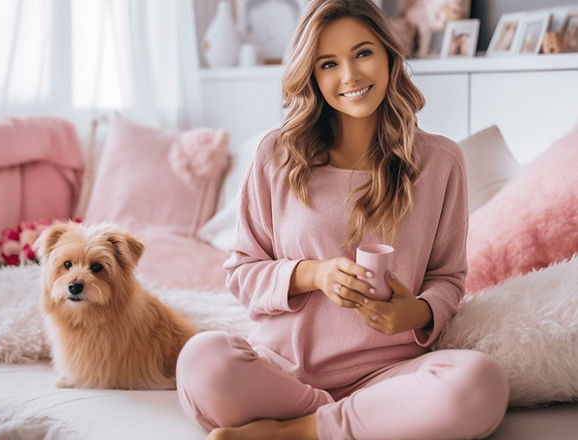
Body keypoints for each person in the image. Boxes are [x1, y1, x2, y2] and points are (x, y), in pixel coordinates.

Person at [176, 1, 509, 439]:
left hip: (390, 377)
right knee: (202, 360)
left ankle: (294, 432)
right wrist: (314, 274)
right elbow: (241, 274)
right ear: (312, 76)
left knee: (482, 382)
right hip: (284, 374)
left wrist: (416, 312)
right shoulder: (276, 155)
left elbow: (448, 277)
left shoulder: (441, 161)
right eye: (328, 63)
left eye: (363, 53)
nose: (349, 76)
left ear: (390, 56)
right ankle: (352, 424)